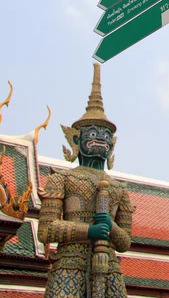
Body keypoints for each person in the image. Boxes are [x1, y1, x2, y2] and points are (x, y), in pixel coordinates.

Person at [38, 64, 135, 298]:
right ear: (76, 139)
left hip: (109, 267)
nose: (100, 139)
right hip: (70, 265)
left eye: (105, 135)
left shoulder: (119, 190)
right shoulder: (62, 179)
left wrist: (109, 226)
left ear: (112, 143)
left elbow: (124, 243)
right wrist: (89, 230)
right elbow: (46, 230)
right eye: (92, 134)